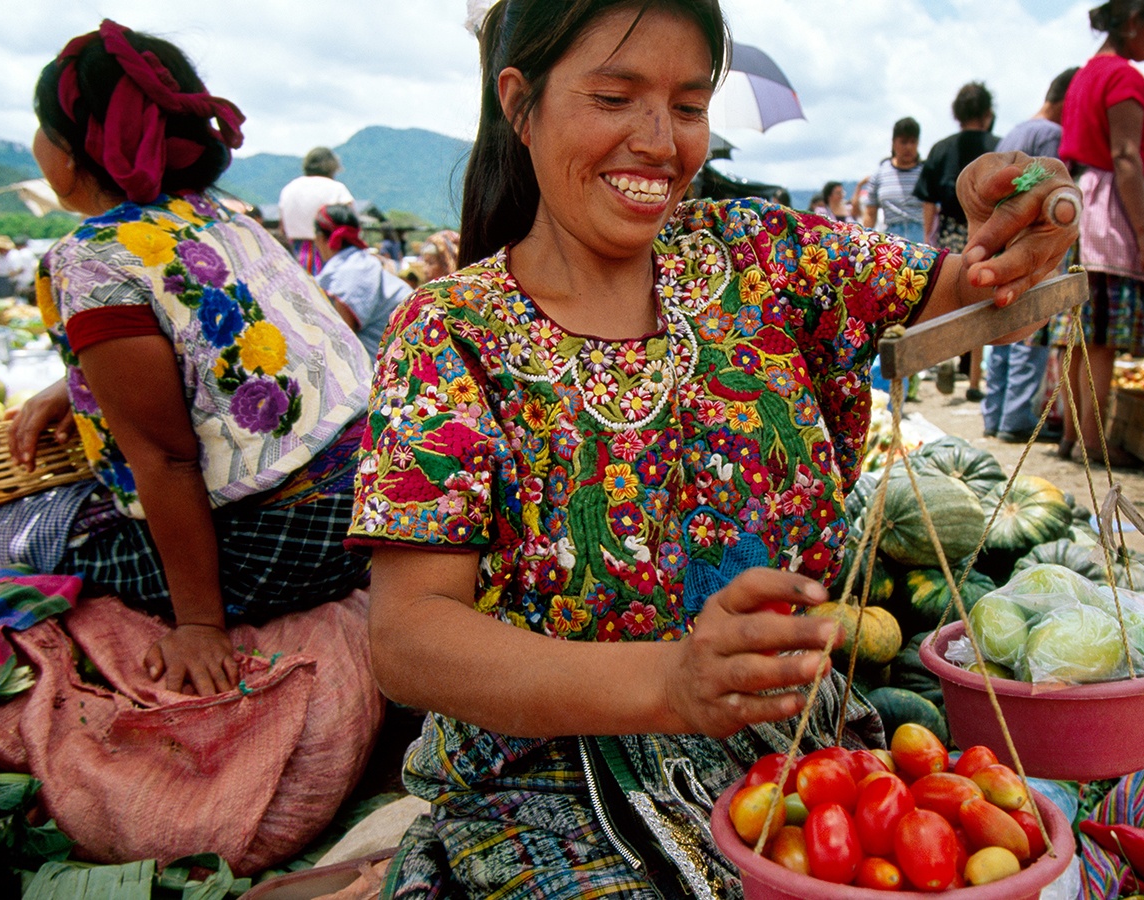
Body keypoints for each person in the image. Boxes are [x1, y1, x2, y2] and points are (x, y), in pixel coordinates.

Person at [347, 0, 1081, 893]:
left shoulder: (761, 258)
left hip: (791, 755)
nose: (660, 141)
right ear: (521, 102)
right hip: (541, 781)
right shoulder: (450, 332)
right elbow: (411, 638)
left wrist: (1021, 223)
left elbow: (974, 292)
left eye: (690, 107)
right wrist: (669, 682)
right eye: (615, 97)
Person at [0, 19, 373, 696]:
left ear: (73, 150)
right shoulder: (223, 214)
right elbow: (211, 345)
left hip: (283, 547)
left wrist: (200, 625)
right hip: (370, 501)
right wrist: (66, 385)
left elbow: (164, 458)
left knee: (1, 538)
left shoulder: (90, 257)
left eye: (43, 128)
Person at [1054, 0, 1144, 461]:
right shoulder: (1124, 76)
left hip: (1082, 204)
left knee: (1078, 332)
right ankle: (1093, 442)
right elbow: (1126, 156)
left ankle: (1072, 434)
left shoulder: (1085, 75)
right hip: (1111, 212)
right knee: (1101, 337)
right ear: (1133, 22)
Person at [984, 66, 1078, 442]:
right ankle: (1017, 418)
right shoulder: (1052, 135)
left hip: (1002, 236)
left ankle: (994, 415)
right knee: (1029, 327)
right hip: (1029, 240)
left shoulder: (1016, 131)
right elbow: (1054, 198)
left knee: (1002, 330)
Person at [916, 81, 1001, 402]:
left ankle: (948, 360)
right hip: (990, 233)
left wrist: (929, 236)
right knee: (983, 302)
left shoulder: (940, 149)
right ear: (987, 112)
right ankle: (975, 379)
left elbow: (928, 200)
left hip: (951, 232)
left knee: (947, 297)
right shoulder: (998, 147)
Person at [314, 203, 413, 364]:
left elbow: (342, 338)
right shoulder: (357, 263)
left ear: (320, 238)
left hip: (388, 367)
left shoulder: (352, 270)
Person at [278, 146, 354, 273]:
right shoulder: (337, 189)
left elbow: (282, 228)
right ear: (332, 167)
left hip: (293, 255)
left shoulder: (289, 188)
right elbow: (351, 228)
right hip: (328, 254)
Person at [862, 116, 924, 240]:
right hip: (892, 239)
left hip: (923, 238)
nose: (908, 147)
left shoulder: (927, 172)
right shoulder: (880, 174)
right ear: (894, 142)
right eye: (904, 142)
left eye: (913, 142)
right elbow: (870, 213)